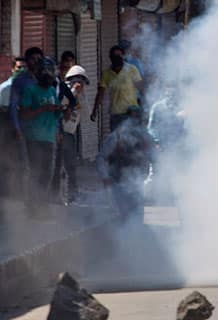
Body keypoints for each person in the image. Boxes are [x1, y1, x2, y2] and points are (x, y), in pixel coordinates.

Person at [19, 57, 63, 210]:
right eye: (43, 71)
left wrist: (61, 111)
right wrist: (42, 109)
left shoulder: (51, 90)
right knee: (35, 172)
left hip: (49, 137)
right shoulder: (30, 90)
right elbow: (24, 113)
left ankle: (42, 205)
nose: (47, 74)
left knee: (47, 173)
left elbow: (56, 113)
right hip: (34, 137)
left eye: (49, 71)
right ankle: (31, 205)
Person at [96, 112, 154, 219]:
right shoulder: (115, 138)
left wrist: (152, 182)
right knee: (124, 213)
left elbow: (155, 160)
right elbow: (101, 158)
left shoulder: (146, 138)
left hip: (139, 182)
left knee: (138, 213)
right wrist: (105, 177)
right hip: (118, 182)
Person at [55, 65, 88, 204]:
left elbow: (86, 113)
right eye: (76, 81)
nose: (79, 84)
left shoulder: (82, 95)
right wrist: (73, 92)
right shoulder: (64, 91)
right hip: (60, 132)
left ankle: (71, 195)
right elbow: (60, 105)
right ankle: (60, 196)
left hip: (71, 133)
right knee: (59, 167)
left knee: (71, 167)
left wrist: (80, 96)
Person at [92, 45, 143, 132]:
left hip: (131, 113)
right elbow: (100, 93)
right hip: (115, 114)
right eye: (114, 56)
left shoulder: (132, 70)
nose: (117, 58)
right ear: (110, 58)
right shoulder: (106, 74)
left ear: (123, 57)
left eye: (119, 56)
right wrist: (94, 111)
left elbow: (141, 89)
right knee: (117, 142)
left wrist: (142, 108)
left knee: (132, 140)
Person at [0, 57, 26, 199]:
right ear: (12, 69)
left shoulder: (28, 87)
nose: (21, 71)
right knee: (7, 165)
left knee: (23, 165)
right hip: (7, 134)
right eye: (18, 68)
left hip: (25, 132)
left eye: (24, 68)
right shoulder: (5, 89)